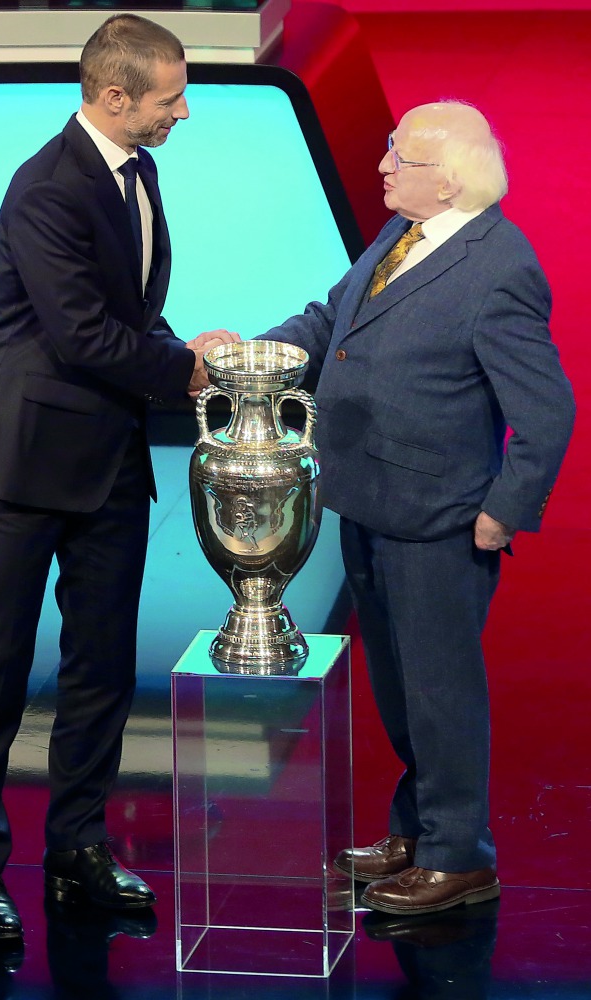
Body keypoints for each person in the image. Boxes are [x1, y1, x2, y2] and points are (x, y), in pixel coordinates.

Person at [0, 13, 238, 941]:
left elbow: (124, 312)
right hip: (26, 459)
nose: (182, 113)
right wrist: (186, 370)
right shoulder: (46, 187)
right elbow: (78, 335)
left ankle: (77, 847)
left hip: (108, 456)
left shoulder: (137, 168)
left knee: (101, 663)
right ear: (115, 96)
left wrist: (178, 342)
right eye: (170, 98)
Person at [259, 101, 575, 915]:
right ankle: (417, 829)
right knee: (401, 691)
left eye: (398, 156)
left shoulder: (498, 266)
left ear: (449, 179)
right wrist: (262, 354)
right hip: (367, 498)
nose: (382, 167)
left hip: (438, 516)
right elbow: (331, 319)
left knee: (440, 695)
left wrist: (504, 508)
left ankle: (457, 856)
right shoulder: (402, 233)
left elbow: (546, 409)